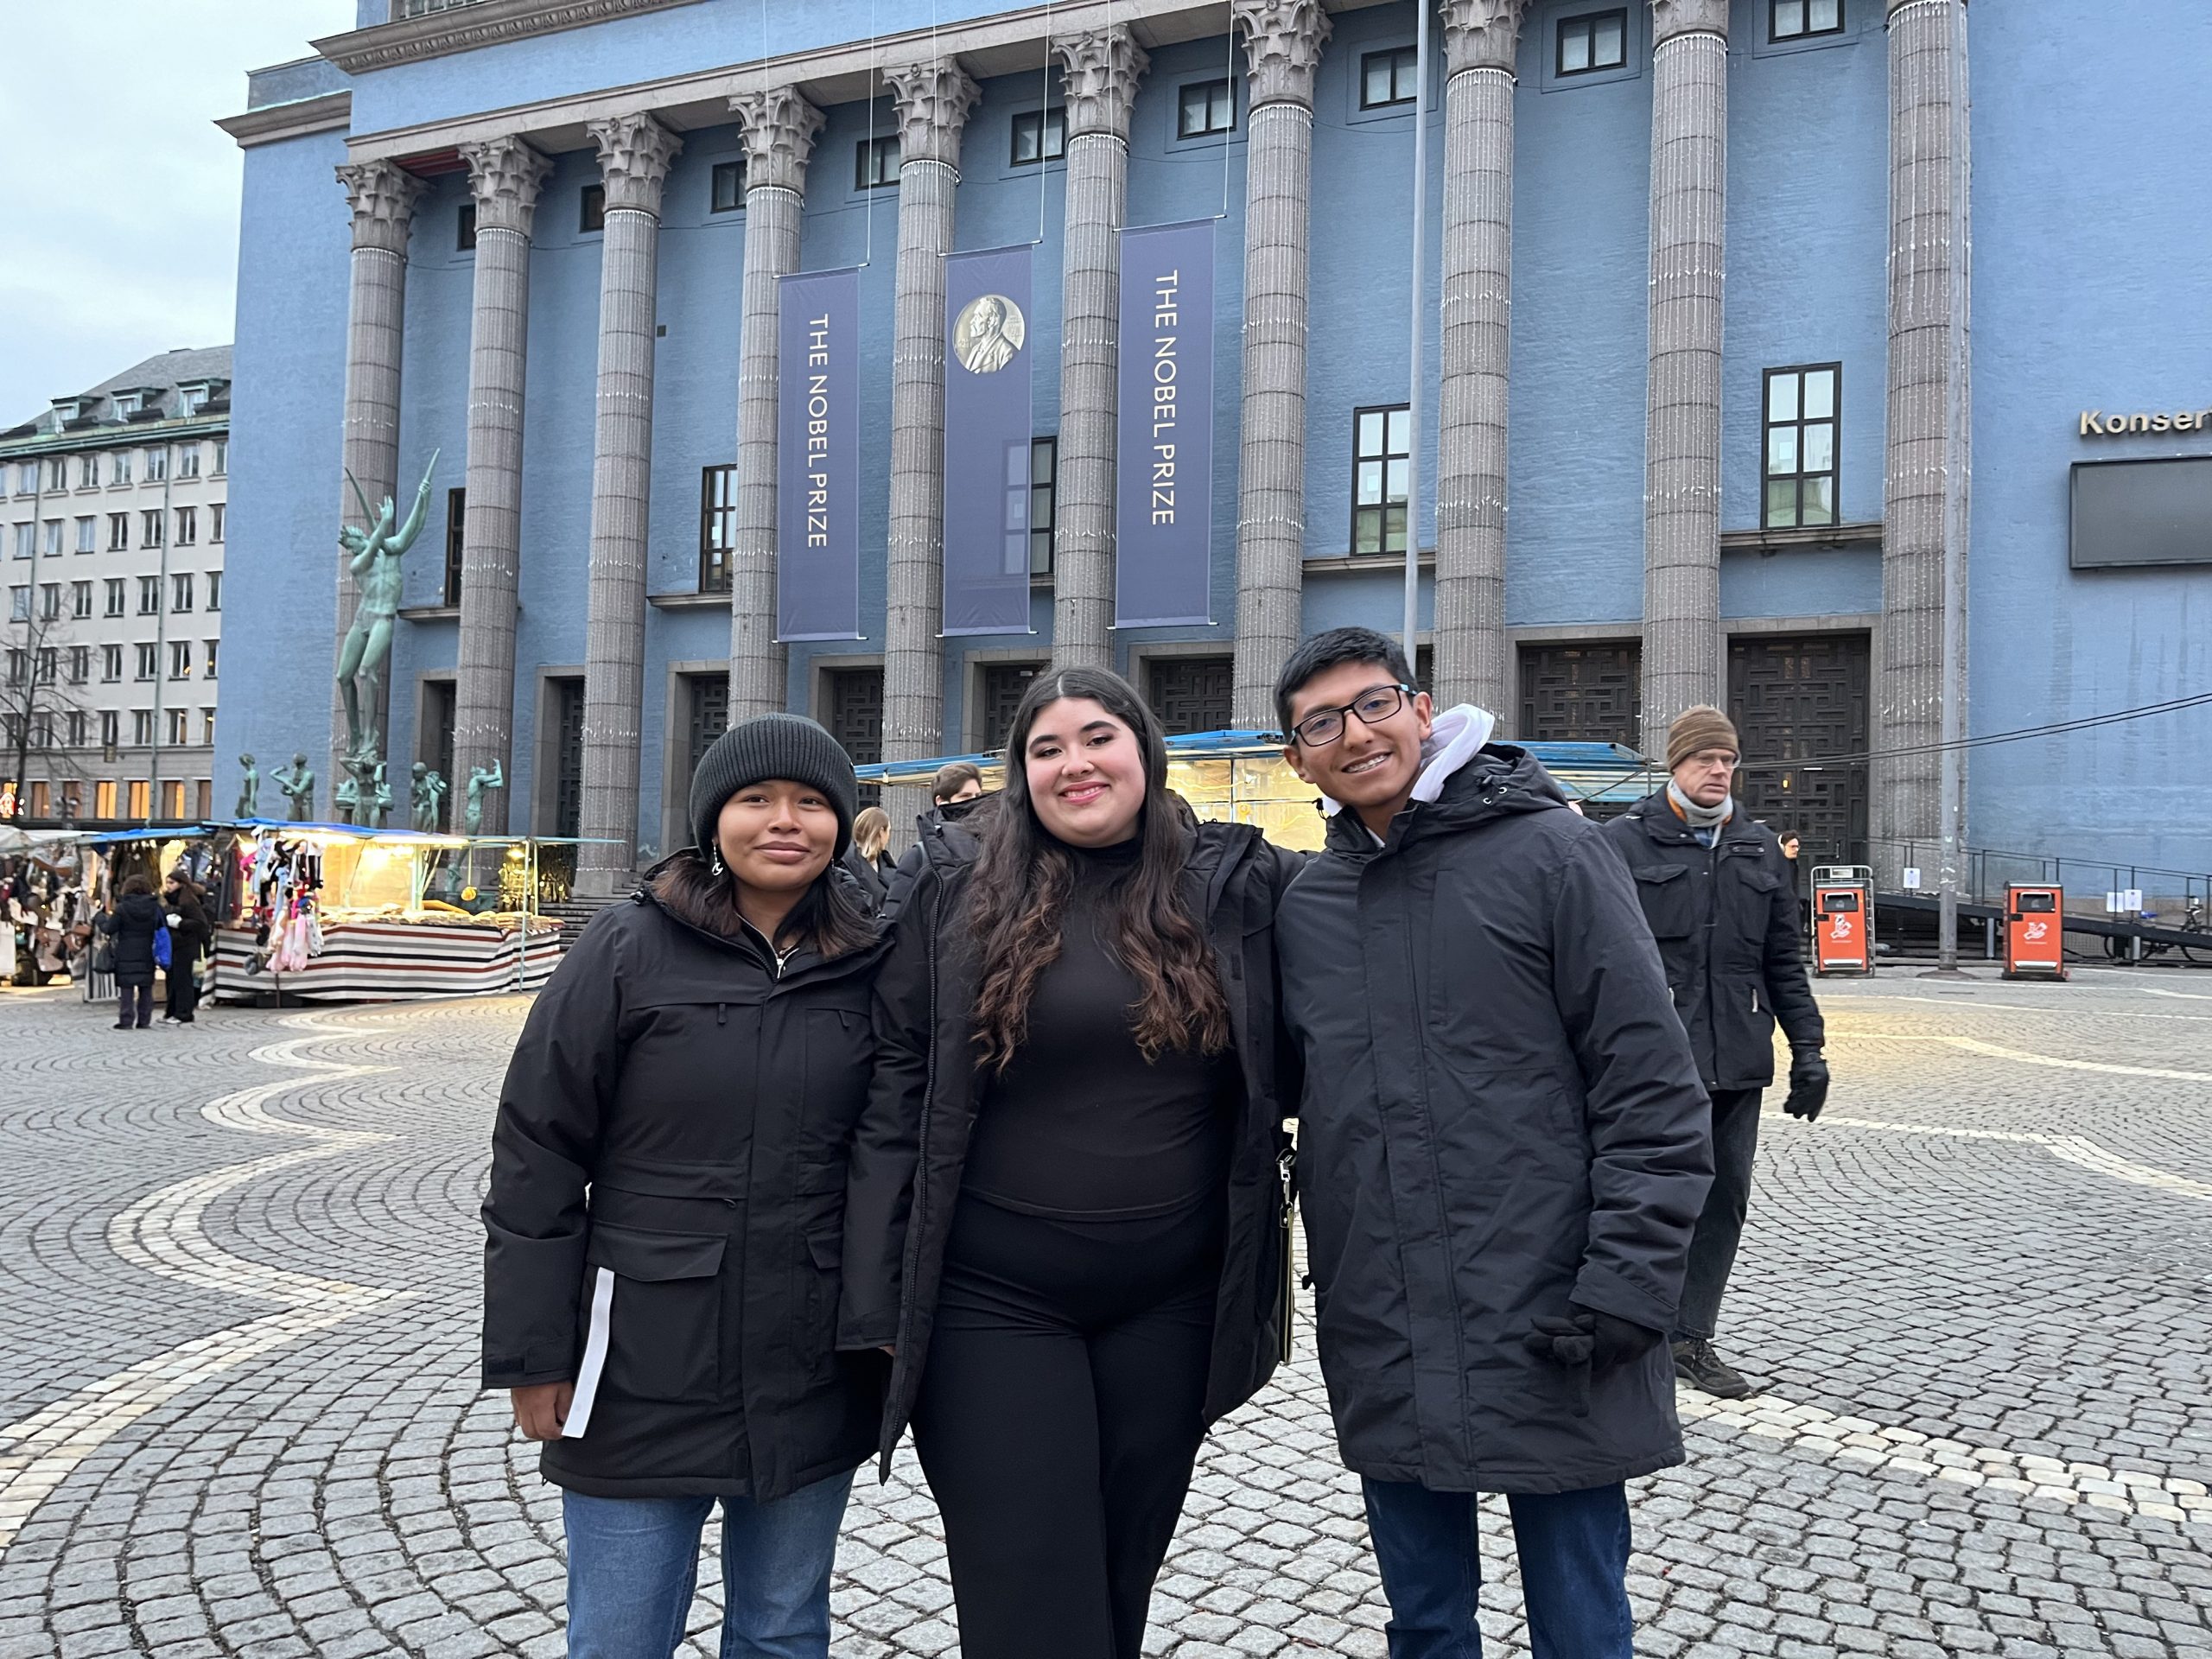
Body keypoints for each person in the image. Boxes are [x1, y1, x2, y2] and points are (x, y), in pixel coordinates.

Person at [841, 667, 1301, 1659]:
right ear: (1019, 773)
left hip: (1169, 1306)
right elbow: (893, 1084)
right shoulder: (954, 881)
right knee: (1028, 1592)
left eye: (1097, 738)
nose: (1074, 763)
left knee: (1114, 1578)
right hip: (990, 1299)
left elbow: (1368, 938)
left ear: (1144, 752)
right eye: (1045, 749)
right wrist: (874, 1292)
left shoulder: (1232, 882)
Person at [1269, 626, 1712, 1659]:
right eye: (1321, 722)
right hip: (1387, 1311)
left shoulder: (1554, 853)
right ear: (1298, 759)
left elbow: (1650, 1085)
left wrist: (1628, 1286)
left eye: (1374, 703)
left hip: (1558, 1307)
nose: (1355, 733)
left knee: (1579, 1619)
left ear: (1422, 710)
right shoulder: (1312, 904)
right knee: (1424, 1622)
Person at [480, 714, 893, 1659]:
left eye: (811, 802)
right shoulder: (626, 947)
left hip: (810, 1356)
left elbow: (902, 1143)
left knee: (784, 1629)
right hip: (640, 1360)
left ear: (840, 823)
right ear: (714, 819)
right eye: (756, 800)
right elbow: (538, 1147)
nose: (784, 821)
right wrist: (532, 1352)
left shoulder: (875, 955)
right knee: (621, 1635)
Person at [1600, 707, 1828, 1401]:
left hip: (1735, 1061)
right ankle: (1623, 1325)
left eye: (1728, 761)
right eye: (1705, 760)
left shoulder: (1758, 848)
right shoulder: (1621, 844)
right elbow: (1592, 959)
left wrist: (1809, 1048)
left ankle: (1688, 1338)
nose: (1719, 771)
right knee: (1638, 1195)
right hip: (1648, 1064)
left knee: (1722, 1199)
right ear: (1676, 764)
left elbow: (1783, 961)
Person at [96, 875, 166, 1031]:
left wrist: (100, 918)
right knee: (146, 987)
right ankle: (144, 1020)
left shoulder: (123, 907)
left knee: (126, 987)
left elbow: (109, 928)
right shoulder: (155, 907)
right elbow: (162, 927)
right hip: (147, 951)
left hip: (125, 951)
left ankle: (126, 1020)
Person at [161, 870, 213, 1025]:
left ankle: (184, 1013)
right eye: (168, 883)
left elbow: (200, 923)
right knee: (172, 979)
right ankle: (171, 1011)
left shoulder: (188, 901)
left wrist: (180, 923)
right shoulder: (171, 900)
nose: (169, 886)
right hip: (174, 945)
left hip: (185, 945)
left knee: (183, 980)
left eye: (172, 883)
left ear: (181, 884)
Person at [841, 804, 895, 912]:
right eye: (888, 830)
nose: (889, 836)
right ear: (881, 832)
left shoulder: (885, 861)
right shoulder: (844, 863)